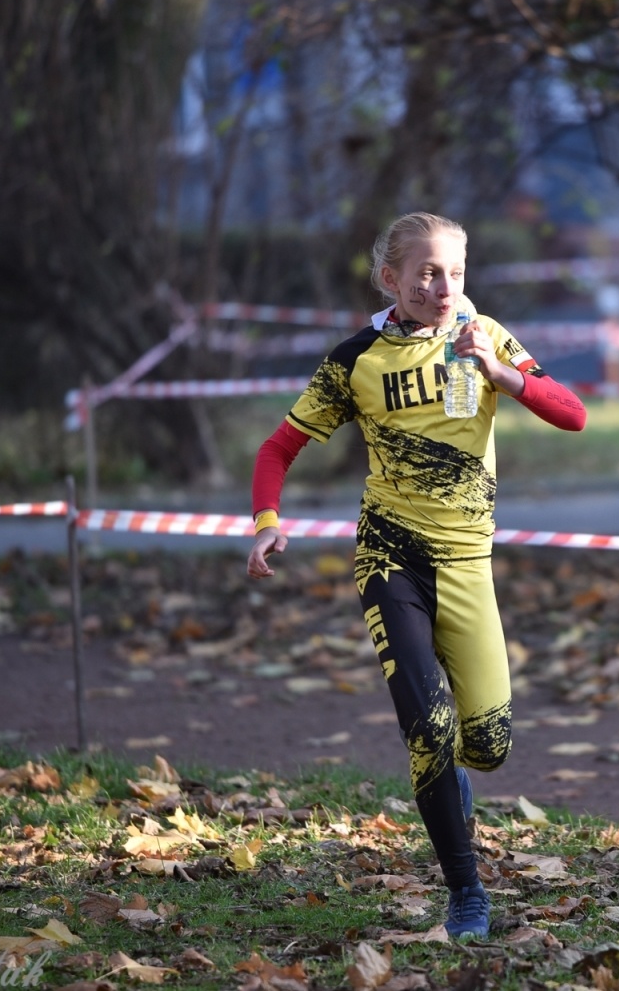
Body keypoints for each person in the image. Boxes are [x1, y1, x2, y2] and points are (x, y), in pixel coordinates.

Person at [246, 212, 587, 940]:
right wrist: (267, 521)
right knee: (428, 726)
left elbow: (574, 415)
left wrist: (502, 376)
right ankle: (466, 893)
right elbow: (278, 448)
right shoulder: (357, 359)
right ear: (390, 279)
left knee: (487, 746)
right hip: (390, 557)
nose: (443, 287)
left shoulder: (485, 334)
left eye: (455, 272)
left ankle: (450, 779)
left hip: (468, 563)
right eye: (427, 273)